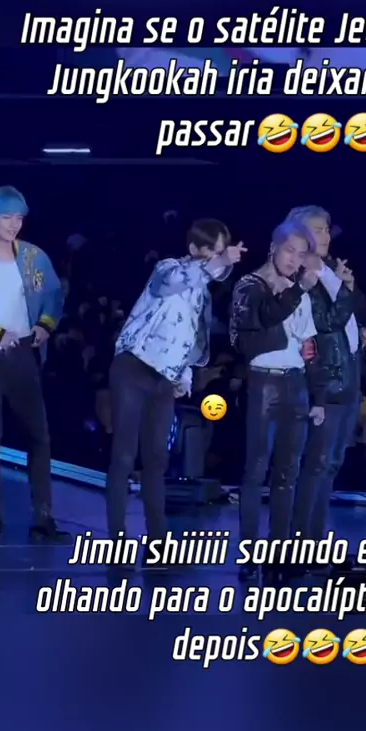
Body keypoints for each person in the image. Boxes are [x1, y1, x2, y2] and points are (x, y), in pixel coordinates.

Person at [106, 218, 245, 554]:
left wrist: (183, 377)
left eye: (222, 251)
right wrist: (218, 262)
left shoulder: (202, 294)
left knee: (157, 458)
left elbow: (189, 339)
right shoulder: (169, 268)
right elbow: (174, 283)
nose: (219, 259)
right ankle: (117, 537)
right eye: (213, 251)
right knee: (125, 455)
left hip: (164, 379)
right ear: (194, 249)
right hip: (134, 366)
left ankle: (158, 539)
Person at [230, 219, 355, 582]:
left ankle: (280, 553)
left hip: (296, 384)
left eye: (301, 255)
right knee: (256, 470)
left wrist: (319, 397)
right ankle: (249, 554)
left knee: (288, 472)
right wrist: (298, 289)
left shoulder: (300, 292)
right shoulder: (251, 286)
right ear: (274, 248)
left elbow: (309, 346)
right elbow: (263, 320)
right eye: (289, 251)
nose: (294, 259)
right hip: (263, 383)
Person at [285, 205, 366, 552]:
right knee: (316, 464)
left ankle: (314, 536)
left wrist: (362, 331)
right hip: (324, 381)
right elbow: (325, 322)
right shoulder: (301, 275)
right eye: (318, 229)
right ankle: (300, 541)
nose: (325, 235)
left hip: (349, 376)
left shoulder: (329, 269)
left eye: (326, 229)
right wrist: (342, 290)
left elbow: (351, 313)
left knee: (331, 464)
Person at [0, 186, 69, 543]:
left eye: (19, 217)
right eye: (7, 217)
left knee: (39, 435)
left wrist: (45, 325)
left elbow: (53, 296)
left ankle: (43, 518)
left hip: (22, 354)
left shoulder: (33, 257)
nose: (14, 224)